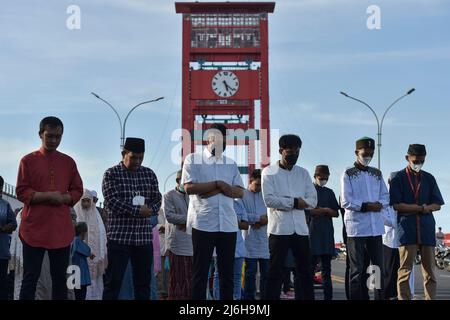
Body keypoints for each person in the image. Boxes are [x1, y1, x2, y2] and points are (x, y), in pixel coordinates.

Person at [16, 116, 83, 300]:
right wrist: (47, 196)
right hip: (34, 229)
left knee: (60, 279)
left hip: (60, 230)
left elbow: (77, 189)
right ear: (40, 135)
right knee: (30, 278)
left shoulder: (68, 162)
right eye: (50, 136)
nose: (54, 141)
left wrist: (65, 198)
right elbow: (21, 191)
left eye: (58, 137)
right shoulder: (27, 161)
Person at [181, 123, 245, 300]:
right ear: (207, 139)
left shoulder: (230, 164)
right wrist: (219, 184)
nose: (221, 142)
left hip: (228, 224)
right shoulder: (193, 159)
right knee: (200, 273)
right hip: (203, 223)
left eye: (224, 139)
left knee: (227, 275)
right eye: (217, 138)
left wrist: (211, 190)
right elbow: (189, 188)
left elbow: (240, 191)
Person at [102, 137, 162, 300]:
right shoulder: (111, 174)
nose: (137, 161)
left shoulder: (149, 174)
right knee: (114, 282)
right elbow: (112, 201)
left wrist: (151, 210)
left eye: (141, 158)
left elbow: (157, 198)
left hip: (143, 238)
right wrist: (137, 211)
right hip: (119, 238)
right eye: (133, 157)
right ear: (123, 154)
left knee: (143, 284)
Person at [262, 134, 317, 300]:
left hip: (300, 230)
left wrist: (287, 202)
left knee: (305, 272)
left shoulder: (303, 173)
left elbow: (313, 201)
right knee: (275, 272)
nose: (294, 154)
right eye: (290, 151)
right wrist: (294, 202)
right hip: (279, 229)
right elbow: (269, 200)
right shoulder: (269, 172)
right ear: (281, 151)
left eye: (297, 151)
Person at [390, 144, 445, 300]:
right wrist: (421, 208)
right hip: (407, 230)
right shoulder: (398, 178)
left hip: (426, 229)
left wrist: (425, 208)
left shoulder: (429, 178)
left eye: (421, 161)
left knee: (430, 272)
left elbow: (438, 204)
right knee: (405, 270)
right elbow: (396, 204)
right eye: (415, 160)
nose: (418, 163)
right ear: (407, 158)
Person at [341, 137, 389, 300]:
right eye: (365, 153)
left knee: (376, 269)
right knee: (357, 270)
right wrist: (366, 206)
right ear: (357, 153)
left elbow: (385, 196)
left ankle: (378, 298)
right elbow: (345, 201)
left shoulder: (377, 173)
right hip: (357, 229)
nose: (368, 156)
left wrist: (379, 204)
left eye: (371, 153)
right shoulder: (348, 173)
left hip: (375, 228)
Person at [306, 165, 339, 300]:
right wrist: (325, 211)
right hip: (313, 236)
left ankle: (328, 297)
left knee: (326, 271)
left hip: (326, 237)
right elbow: (308, 211)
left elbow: (336, 212)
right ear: (315, 177)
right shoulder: (309, 191)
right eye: (321, 177)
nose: (324, 180)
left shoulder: (329, 192)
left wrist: (323, 210)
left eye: (326, 178)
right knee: (309, 271)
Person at [240, 169, 269, 300]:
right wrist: (258, 219)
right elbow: (242, 215)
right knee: (250, 274)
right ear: (250, 181)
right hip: (249, 241)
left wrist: (265, 219)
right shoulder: (242, 195)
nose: (259, 187)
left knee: (266, 274)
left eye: (260, 185)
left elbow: (272, 213)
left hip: (265, 240)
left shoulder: (265, 195)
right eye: (256, 184)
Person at [163, 170, 192, 300]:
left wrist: (185, 221)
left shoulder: (193, 197)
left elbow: (200, 215)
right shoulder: (169, 195)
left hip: (192, 245)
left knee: (190, 281)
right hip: (177, 245)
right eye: (185, 181)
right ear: (178, 180)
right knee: (177, 279)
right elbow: (169, 216)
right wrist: (189, 220)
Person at [74, 189, 107, 300]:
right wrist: (88, 252)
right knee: (77, 287)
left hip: (92, 259)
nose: (86, 204)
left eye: (88, 201)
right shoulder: (76, 215)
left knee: (92, 284)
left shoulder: (97, 216)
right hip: (77, 263)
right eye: (84, 201)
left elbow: (101, 236)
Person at [213, 200, 248, 300]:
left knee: (237, 278)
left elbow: (246, 225)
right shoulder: (217, 203)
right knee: (218, 276)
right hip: (221, 247)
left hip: (238, 248)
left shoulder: (239, 204)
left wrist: (232, 221)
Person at [0, 175, 18, 300]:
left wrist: (3, 229)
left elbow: (14, 223)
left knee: (2, 283)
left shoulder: (5, 205)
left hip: (2, 251)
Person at [70, 222, 95, 300]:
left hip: (75, 274)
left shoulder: (73, 240)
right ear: (83, 232)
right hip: (79, 275)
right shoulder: (77, 241)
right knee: (80, 295)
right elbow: (86, 250)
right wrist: (90, 254)